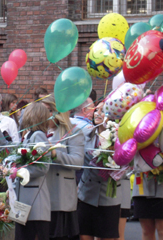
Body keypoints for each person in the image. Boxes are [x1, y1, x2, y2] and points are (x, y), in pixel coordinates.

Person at [42, 95, 85, 240]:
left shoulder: (73, 132)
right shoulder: (36, 133)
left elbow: (78, 162)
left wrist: (55, 154)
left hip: (60, 195)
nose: (44, 114)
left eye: (48, 110)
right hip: (40, 194)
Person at [77, 102, 122, 240]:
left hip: (108, 195)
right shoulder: (86, 134)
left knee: (107, 237)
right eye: (96, 110)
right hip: (86, 193)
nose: (97, 113)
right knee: (84, 236)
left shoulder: (119, 137)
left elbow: (126, 164)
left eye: (102, 111)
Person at [14, 102, 51, 240]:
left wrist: (19, 171)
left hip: (35, 200)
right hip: (24, 198)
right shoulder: (29, 135)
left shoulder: (39, 135)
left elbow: (43, 166)